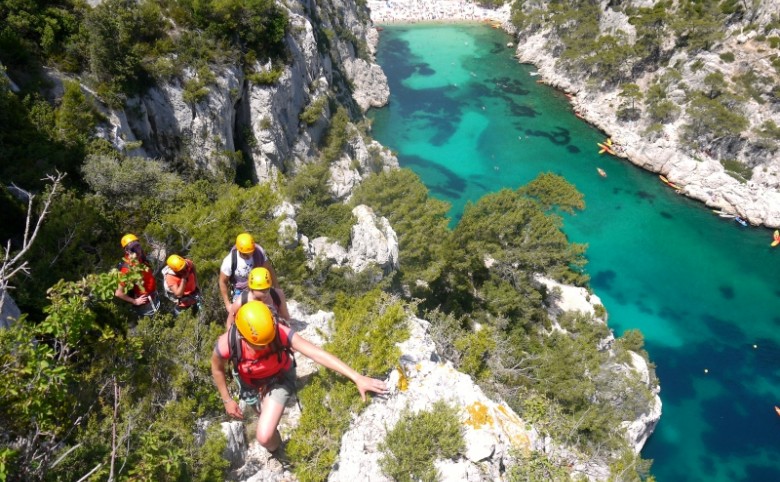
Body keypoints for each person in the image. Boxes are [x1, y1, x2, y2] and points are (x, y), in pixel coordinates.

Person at [211, 301, 387, 454]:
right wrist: (227, 400)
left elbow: (316, 353)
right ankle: (275, 443)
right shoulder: (227, 344)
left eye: (268, 340)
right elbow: (217, 369)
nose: (265, 346)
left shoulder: (277, 332)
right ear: (242, 336)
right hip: (251, 384)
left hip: (278, 379)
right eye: (259, 344)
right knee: (264, 417)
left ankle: (276, 450)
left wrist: (356, 377)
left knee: (264, 437)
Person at [218, 233, 279, 313]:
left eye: (251, 252)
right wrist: (228, 305)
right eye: (246, 254)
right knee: (243, 314)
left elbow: (268, 268)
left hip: (259, 286)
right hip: (240, 290)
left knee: (270, 311)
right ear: (239, 251)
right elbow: (222, 281)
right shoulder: (229, 261)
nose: (250, 255)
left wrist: (277, 287)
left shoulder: (259, 253)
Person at [226, 267, 290, 329]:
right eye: (262, 290)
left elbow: (285, 318)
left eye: (267, 289)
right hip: (251, 333)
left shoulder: (277, 295)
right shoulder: (241, 302)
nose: (266, 293)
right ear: (252, 289)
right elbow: (230, 323)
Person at [114, 233, 159, 317]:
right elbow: (118, 293)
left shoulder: (140, 256)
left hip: (154, 296)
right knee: (150, 319)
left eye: (137, 246)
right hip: (146, 303)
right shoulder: (126, 269)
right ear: (127, 251)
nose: (137, 250)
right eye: (133, 248)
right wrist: (135, 301)